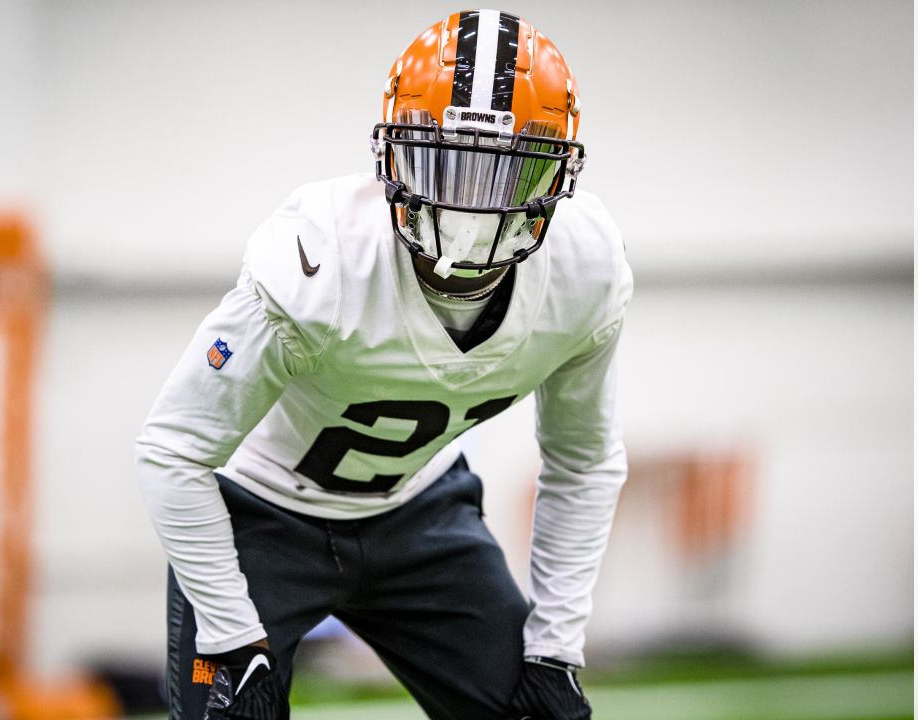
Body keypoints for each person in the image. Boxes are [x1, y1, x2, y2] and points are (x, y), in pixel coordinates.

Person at [136, 9, 632, 720]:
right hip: (260, 516)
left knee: (540, 712)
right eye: (447, 164)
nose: (471, 209)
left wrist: (556, 647)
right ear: (393, 156)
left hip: (418, 511)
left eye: (504, 172)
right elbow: (171, 449)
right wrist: (234, 639)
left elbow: (584, 460)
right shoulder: (323, 257)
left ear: (557, 174)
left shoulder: (586, 268)